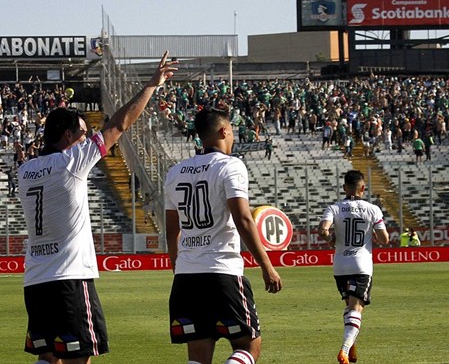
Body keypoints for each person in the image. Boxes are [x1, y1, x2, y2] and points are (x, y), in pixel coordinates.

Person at [18, 51, 176, 364]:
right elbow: (121, 123)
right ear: (67, 137)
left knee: (48, 357)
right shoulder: (71, 161)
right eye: (83, 133)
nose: (88, 138)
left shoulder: (26, 170)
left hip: (36, 280)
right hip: (69, 278)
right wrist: (151, 85)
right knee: (80, 358)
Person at [165, 106, 283, 364]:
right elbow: (243, 219)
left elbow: (172, 230)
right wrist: (267, 266)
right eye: (231, 132)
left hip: (186, 277)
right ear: (224, 130)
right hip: (222, 272)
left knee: (198, 355)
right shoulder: (231, 166)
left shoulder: (175, 172)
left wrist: (179, 269)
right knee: (249, 346)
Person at [318, 170, 389, 364]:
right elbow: (384, 239)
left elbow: (323, 229)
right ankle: (344, 349)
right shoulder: (372, 209)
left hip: (340, 265)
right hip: (361, 264)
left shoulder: (334, 208)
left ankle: (351, 347)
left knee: (350, 306)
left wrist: (328, 236)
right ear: (363, 188)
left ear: (344, 188)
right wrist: (374, 234)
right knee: (357, 307)